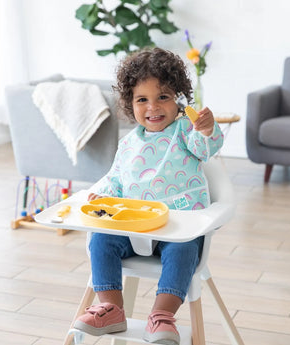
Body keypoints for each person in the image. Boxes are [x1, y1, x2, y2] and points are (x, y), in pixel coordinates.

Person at [73, 47, 224, 345]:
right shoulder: (129, 143)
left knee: (183, 251)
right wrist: (100, 196)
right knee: (100, 239)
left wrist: (206, 130)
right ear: (130, 104)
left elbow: (205, 148)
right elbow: (116, 179)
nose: (152, 107)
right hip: (132, 228)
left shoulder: (184, 130)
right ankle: (111, 308)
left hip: (177, 229)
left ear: (178, 100)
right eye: (142, 99)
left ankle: (162, 315)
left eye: (163, 97)